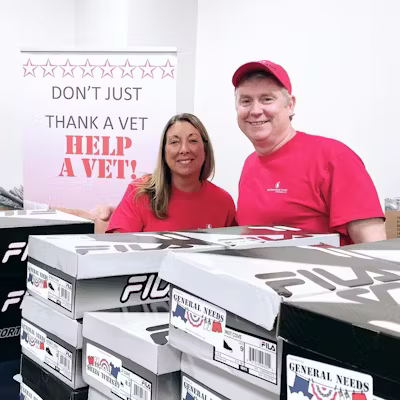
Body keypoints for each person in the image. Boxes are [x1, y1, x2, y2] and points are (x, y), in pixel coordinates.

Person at [232, 60, 386, 245]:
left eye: (267, 99)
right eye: (246, 101)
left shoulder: (334, 158)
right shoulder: (250, 164)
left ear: (290, 105)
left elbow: (373, 248)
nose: (255, 110)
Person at [106, 113, 236, 232]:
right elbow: (119, 251)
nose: (184, 149)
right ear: (164, 151)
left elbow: (233, 255)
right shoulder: (139, 193)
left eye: (193, 141)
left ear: (205, 149)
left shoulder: (223, 202)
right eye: (175, 142)